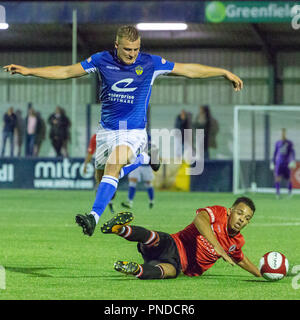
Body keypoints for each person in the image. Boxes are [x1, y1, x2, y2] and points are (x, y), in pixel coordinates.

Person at [4, 25, 243, 237]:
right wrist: (29, 70)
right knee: (104, 181)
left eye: (136, 49)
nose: (132, 54)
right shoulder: (100, 60)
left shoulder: (150, 63)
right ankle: (145, 158)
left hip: (133, 132)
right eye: (128, 49)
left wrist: (223, 72)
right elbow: (66, 72)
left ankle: (93, 218)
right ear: (116, 45)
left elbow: (189, 70)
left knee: (113, 167)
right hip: (106, 132)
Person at [100, 197, 261, 280]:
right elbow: (200, 220)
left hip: (179, 266)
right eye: (239, 213)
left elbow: (241, 260)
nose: (242, 219)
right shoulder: (218, 212)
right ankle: (119, 229)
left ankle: (136, 270)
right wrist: (219, 248)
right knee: (156, 238)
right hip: (175, 244)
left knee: (170, 272)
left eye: (247, 218)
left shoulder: (237, 242)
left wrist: (262, 274)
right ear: (229, 211)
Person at [83, 133, 116, 214]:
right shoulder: (96, 137)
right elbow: (91, 152)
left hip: (109, 162)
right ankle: (100, 206)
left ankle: (106, 204)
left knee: (105, 185)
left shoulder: (114, 135)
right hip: (103, 163)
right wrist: (85, 165)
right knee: (103, 184)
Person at [270, 128, 296, 198]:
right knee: (277, 178)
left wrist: (293, 161)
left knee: (289, 178)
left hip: (287, 163)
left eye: (283, 133)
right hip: (279, 163)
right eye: (281, 133)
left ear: (285, 133)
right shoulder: (278, 143)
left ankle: (290, 193)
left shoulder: (289, 143)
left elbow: (292, 152)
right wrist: (272, 162)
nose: (282, 134)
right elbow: (275, 153)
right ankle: (277, 193)